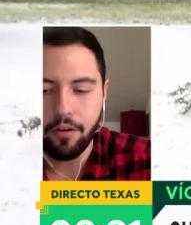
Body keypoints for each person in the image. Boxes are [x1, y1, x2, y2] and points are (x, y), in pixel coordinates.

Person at [42, 27, 150, 181]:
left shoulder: (147, 160)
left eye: (81, 90)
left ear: (104, 92)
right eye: (44, 90)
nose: (63, 109)